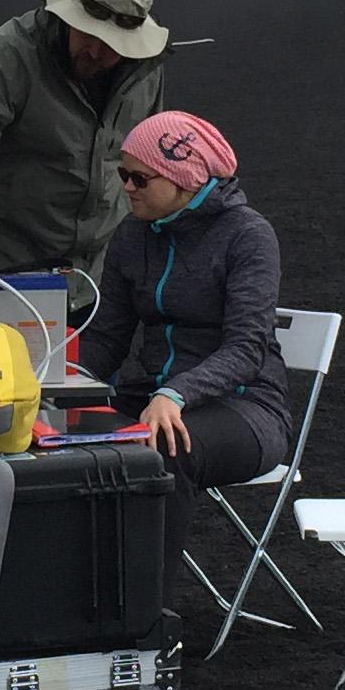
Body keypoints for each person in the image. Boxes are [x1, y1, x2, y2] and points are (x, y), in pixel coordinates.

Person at [79, 110, 290, 590]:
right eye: (123, 174)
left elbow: (247, 347)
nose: (127, 187)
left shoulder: (248, 235)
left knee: (167, 449)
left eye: (140, 177)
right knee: (53, 437)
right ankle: (80, 597)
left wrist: (176, 393)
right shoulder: (132, 235)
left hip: (247, 406)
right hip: (155, 395)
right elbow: (107, 338)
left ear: (183, 177)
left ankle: (146, 616)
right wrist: (50, 386)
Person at [0, 0, 169, 296]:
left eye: (112, 46)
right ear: (69, 17)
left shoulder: (145, 71)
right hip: (10, 267)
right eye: (88, 35)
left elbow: (149, 156)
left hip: (102, 274)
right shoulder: (11, 52)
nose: (96, 52)